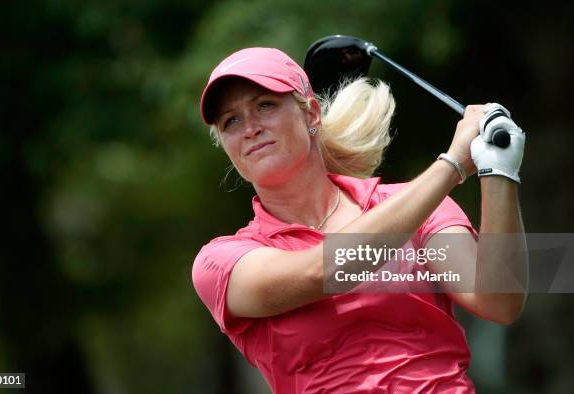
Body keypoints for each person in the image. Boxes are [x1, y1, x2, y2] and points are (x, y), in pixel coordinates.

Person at [192, 47, 527, 393]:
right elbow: (323, 272)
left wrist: (498, 170)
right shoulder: (220, 262)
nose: (250, 128)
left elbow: (497, 300)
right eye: (231, 121)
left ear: (312, 115)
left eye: (266, 105)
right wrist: (453, 164)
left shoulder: (416, 206)